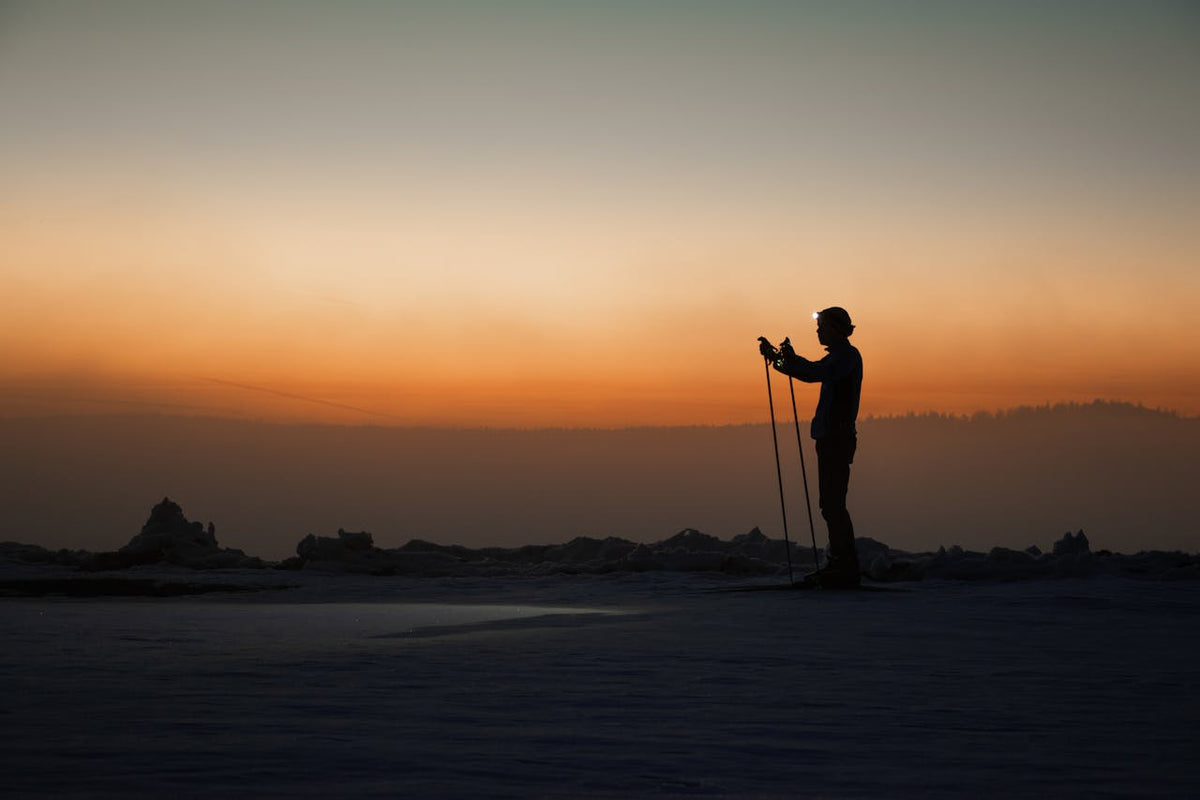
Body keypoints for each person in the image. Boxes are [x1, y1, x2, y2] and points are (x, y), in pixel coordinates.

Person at [758, 306, 863, 588]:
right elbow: (813, 370)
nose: (818, 331)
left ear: (838, 329)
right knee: (830, 503)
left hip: (835, 439)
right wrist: (781, 361)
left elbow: (814, 372)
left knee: (832, 503)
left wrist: (784, 361)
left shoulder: (845, 358)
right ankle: (842, 563)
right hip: (831, 438)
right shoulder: (841, 357)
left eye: (823, 327)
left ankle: (844, 565)